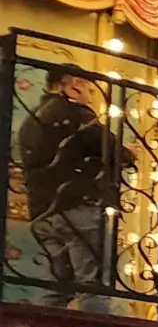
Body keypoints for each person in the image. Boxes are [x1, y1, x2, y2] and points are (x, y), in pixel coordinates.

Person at [18, 74, 119, 300]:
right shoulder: (76, 114)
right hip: (78, 204)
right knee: (94, 284)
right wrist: (128, 153)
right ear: (74, 86)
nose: (92, 98)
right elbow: (111, 147)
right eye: (90, 90)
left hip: (43, 210)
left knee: (58, 286)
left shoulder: (31, 120)